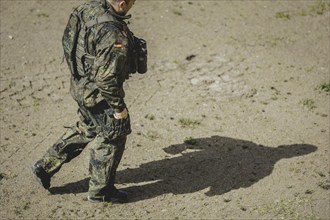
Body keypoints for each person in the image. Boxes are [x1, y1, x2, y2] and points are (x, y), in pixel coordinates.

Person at [31, 0, 147, 203]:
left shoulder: (88, 7)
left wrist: (79, 72)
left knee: (88, 127)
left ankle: (45, 165)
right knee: (114, 135)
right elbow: (106, 79)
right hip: (98, 95)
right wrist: (119, 109)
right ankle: (101, 191)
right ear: (122, 3)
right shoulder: (113, 35)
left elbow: (69, 40)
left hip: (81, 84)